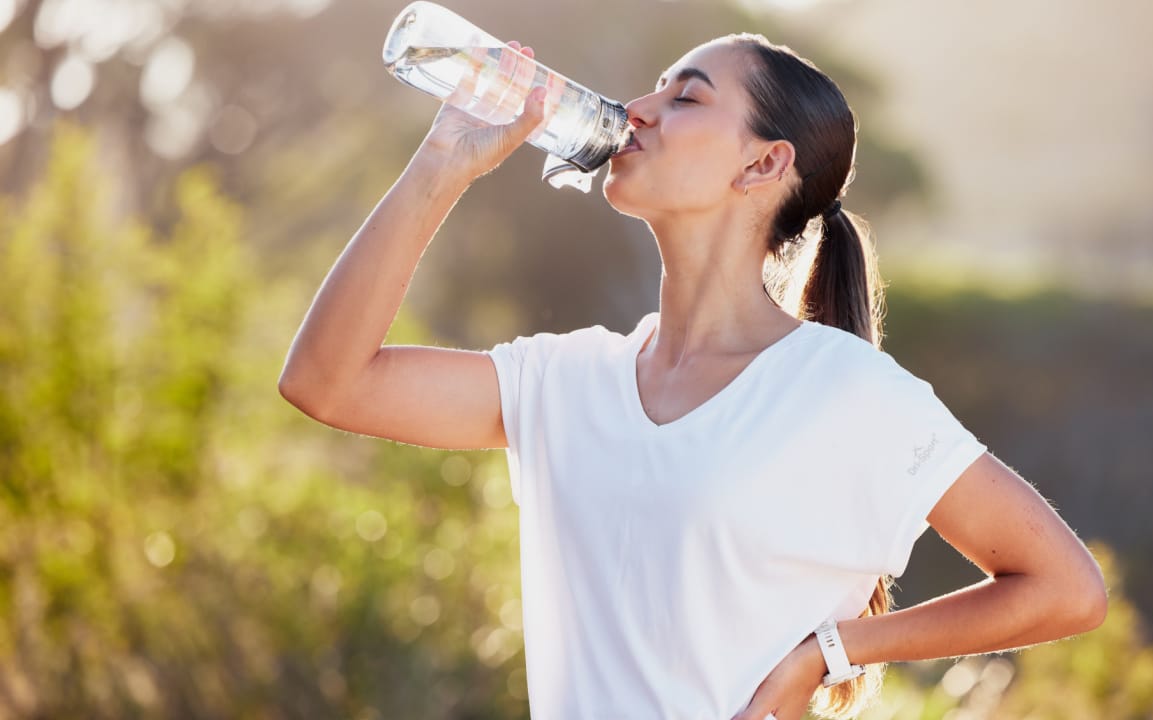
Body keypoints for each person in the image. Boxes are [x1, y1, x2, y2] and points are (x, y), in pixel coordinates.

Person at [279, 33, 1108, 720]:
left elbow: (1065, 588)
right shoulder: (566, 380)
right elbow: (327, 383)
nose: (636, 110)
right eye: (654, 89)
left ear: (762, 165)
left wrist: (833, 651)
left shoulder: (845, 392)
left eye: (686, 97)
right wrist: (441, 163)